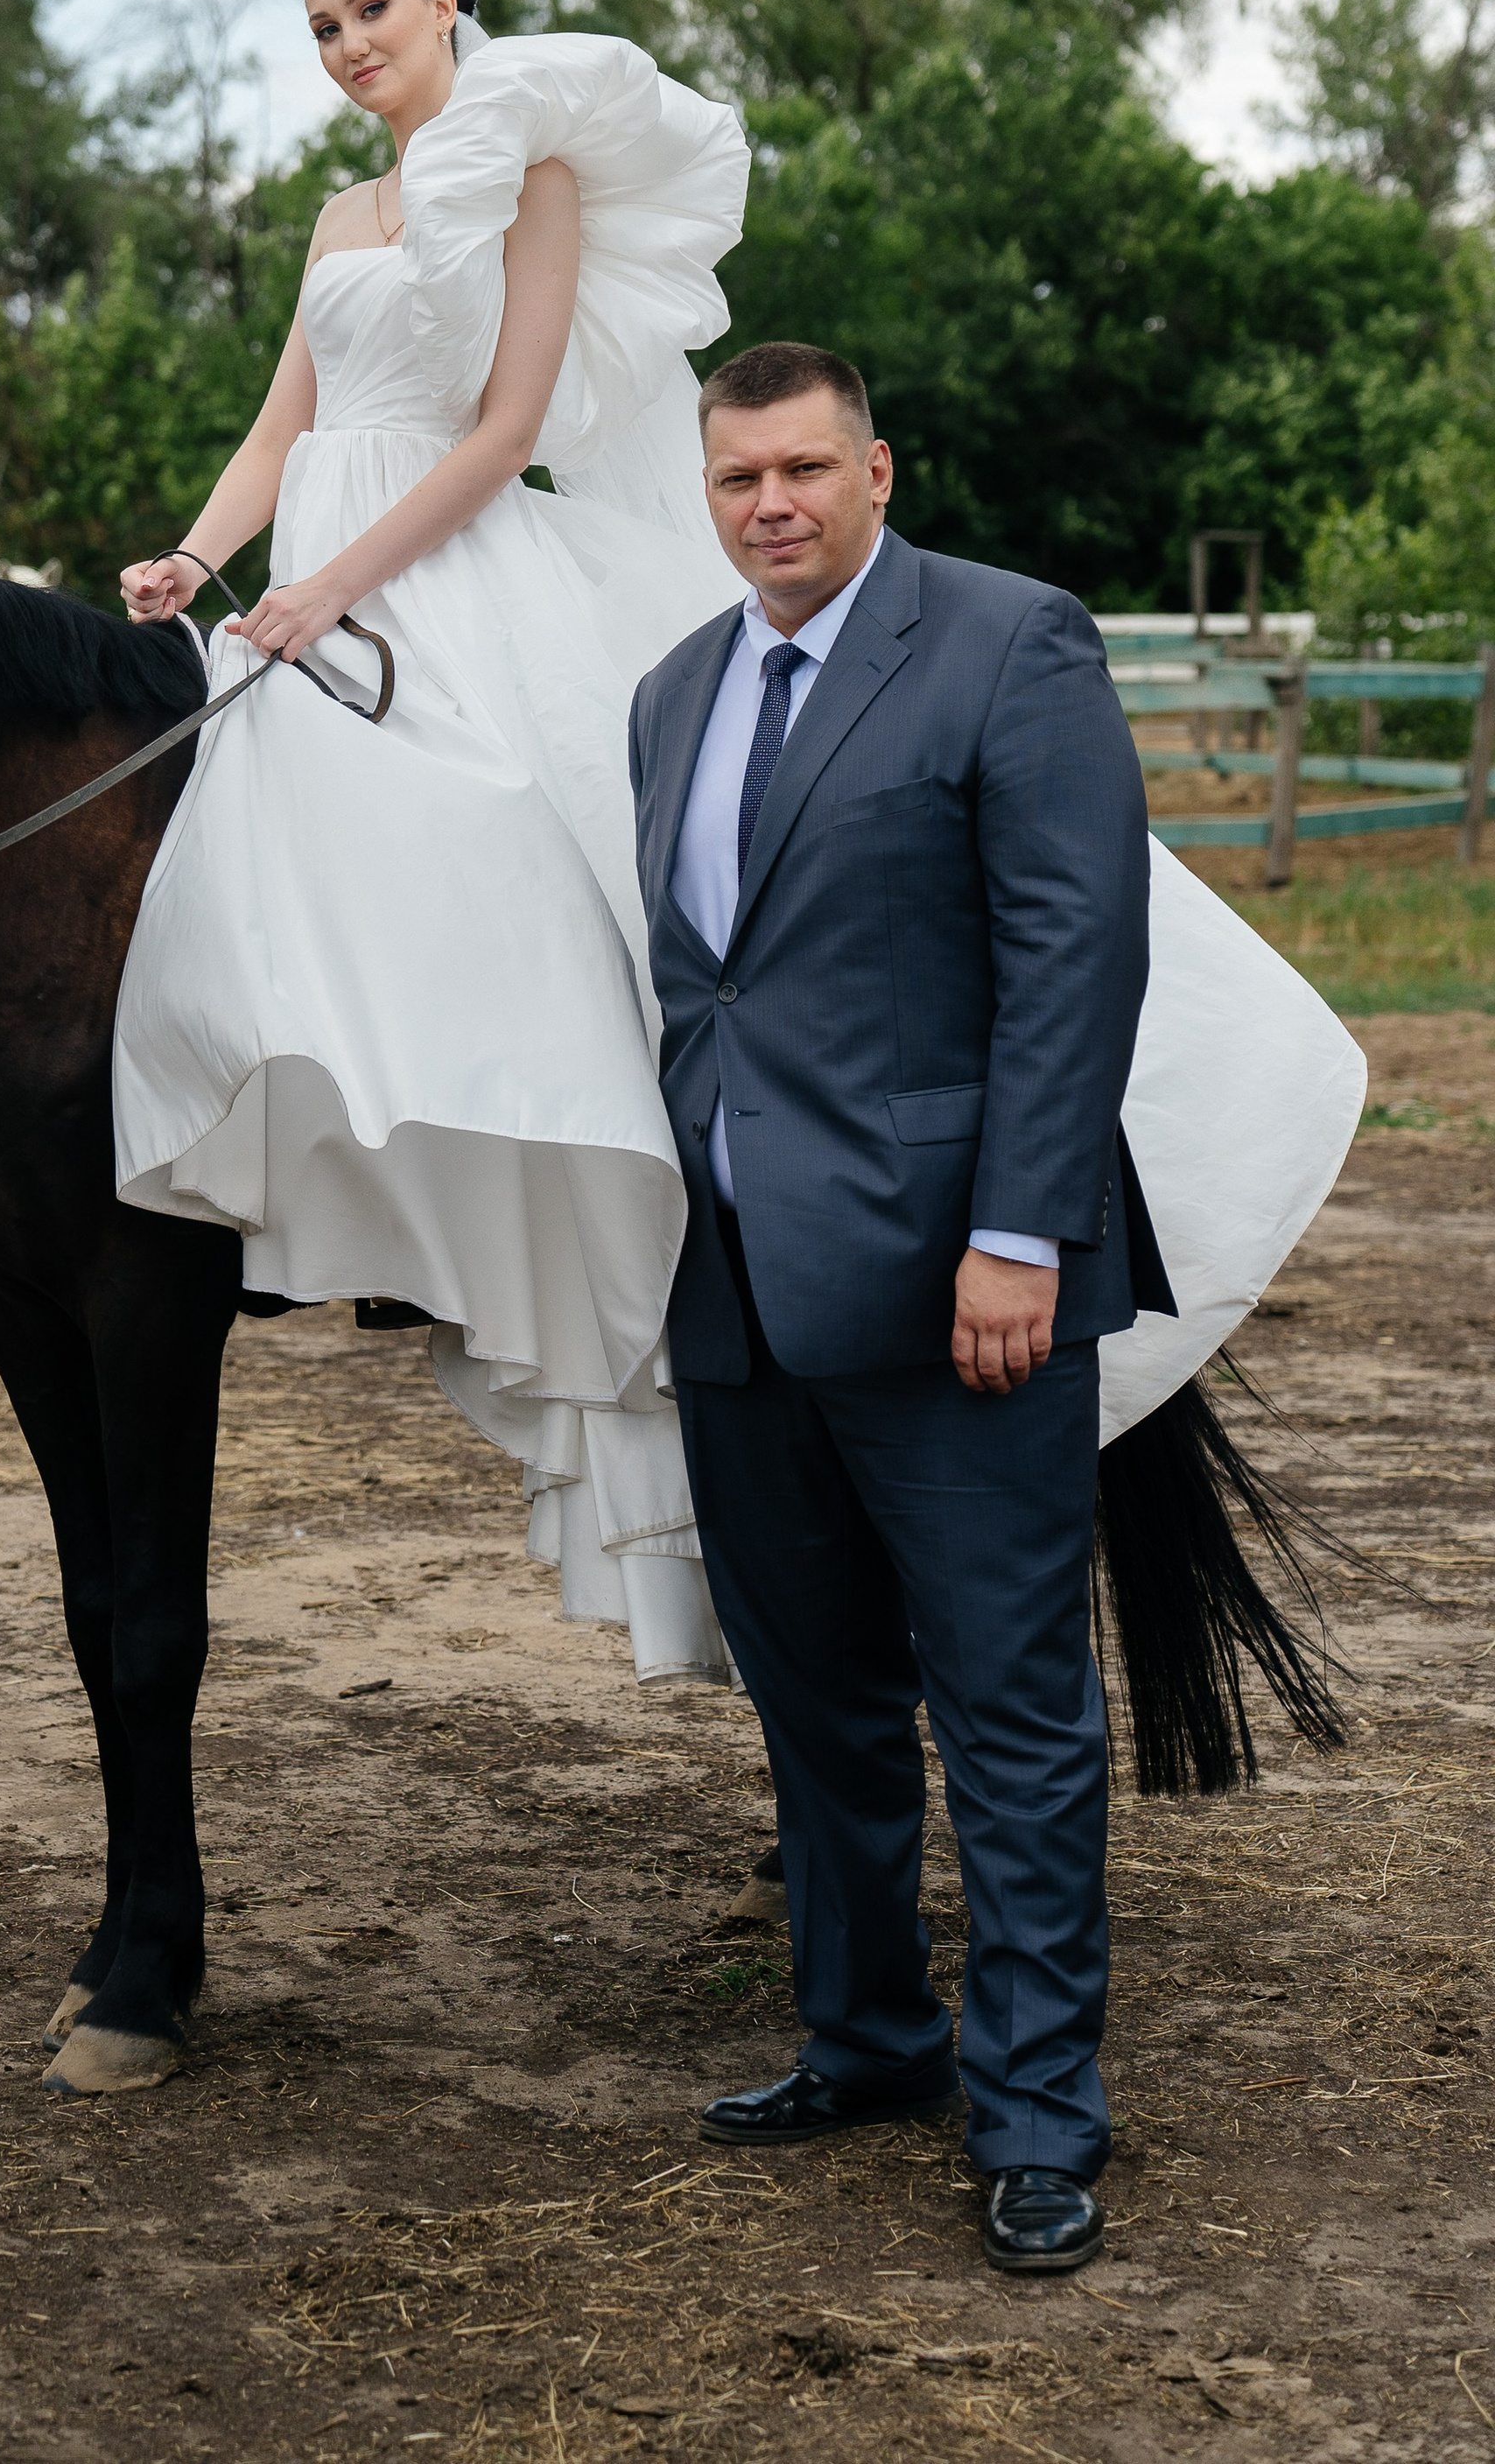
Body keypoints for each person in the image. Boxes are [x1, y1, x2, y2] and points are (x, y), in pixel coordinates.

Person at [624, 339, 1358, 2276]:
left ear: (877, 466)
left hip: (968, 1291)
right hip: (739, 1290)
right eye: (732, 480)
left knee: (1009, 1710)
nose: (766, 504)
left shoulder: (1005, 643)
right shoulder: (669, 694)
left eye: (799, 467)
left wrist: (1019, 1235)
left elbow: (1070, 950)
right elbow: (707, 996)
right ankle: (866, 2039)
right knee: (814, 1703)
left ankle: (1035, 2110)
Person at [116, 0, 754, 1682]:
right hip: (304, 582)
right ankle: (360, 1212)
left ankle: (581, 1226)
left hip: (442, 570)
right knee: (246, 893)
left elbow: (498, 429)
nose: (344, 44)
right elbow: (277, 431)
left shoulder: (529, 176)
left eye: (370, 7)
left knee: (503, 848)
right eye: (318, 23)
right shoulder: (333, 218)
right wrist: (198, 552)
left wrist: (336, 585)